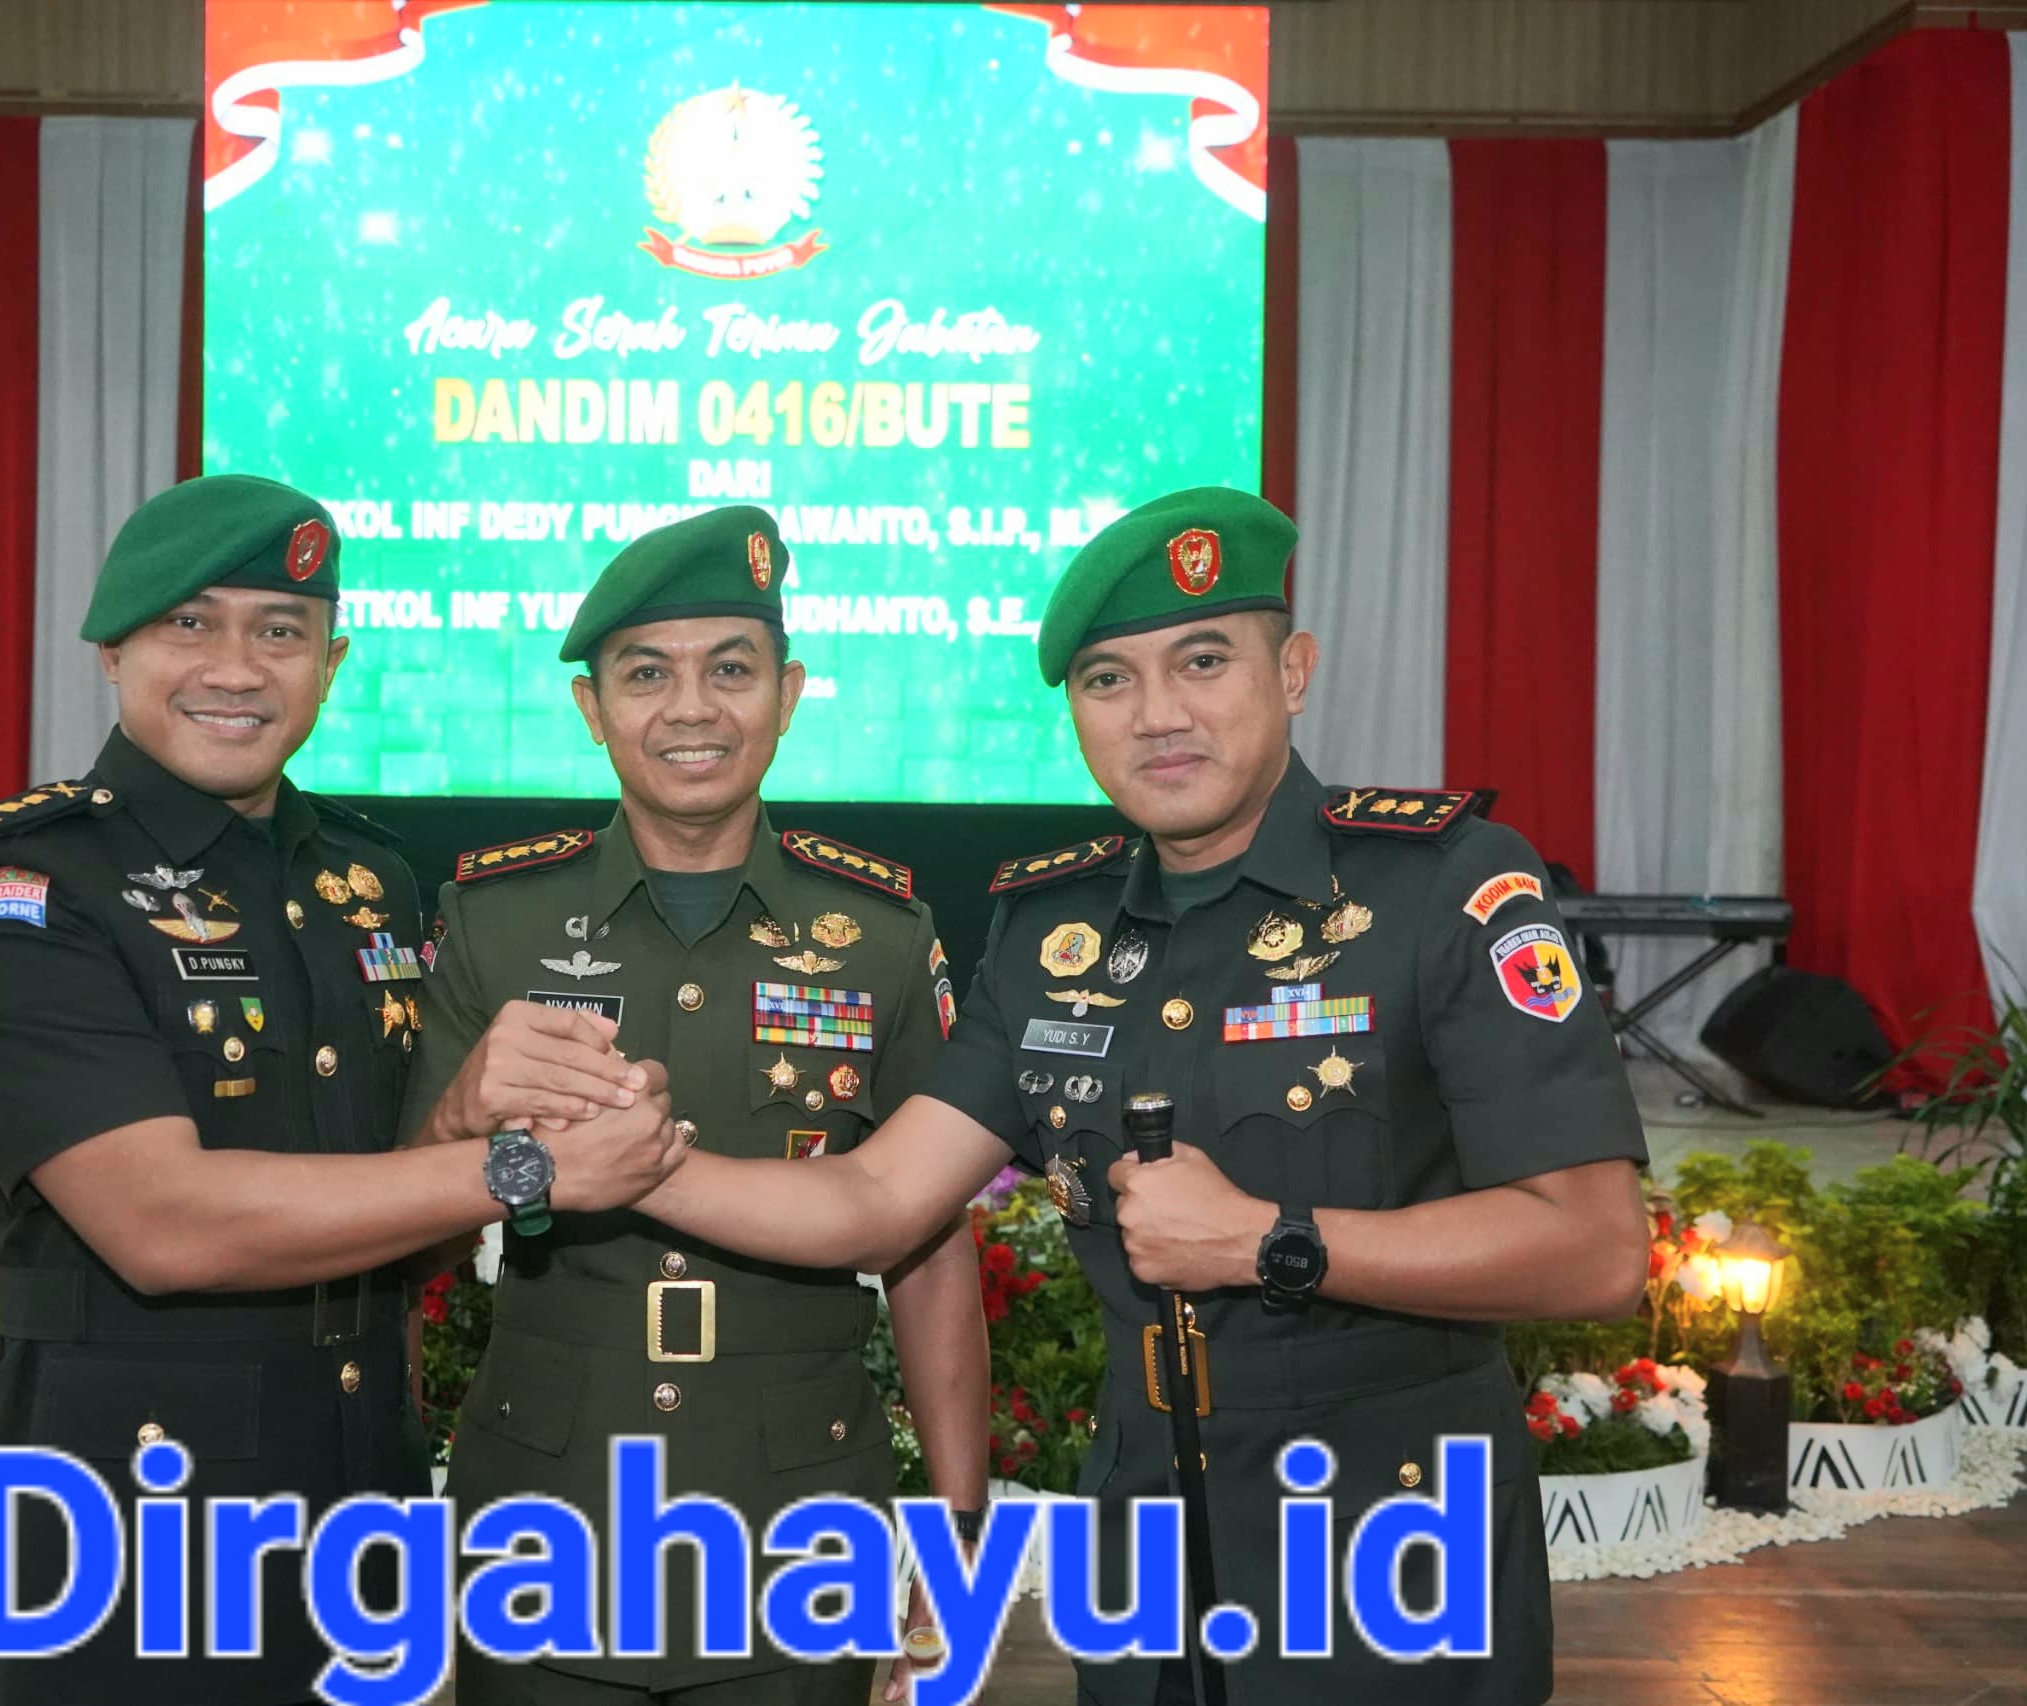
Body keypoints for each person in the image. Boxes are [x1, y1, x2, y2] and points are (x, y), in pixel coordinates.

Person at [634, 487, 1651, 1705]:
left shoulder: (1441, 887)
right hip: (1142, 1533)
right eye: (1108, 680)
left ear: (1293, 672)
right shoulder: (1047, 930)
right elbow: (875, 1197)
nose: (1157, 713)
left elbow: (1594, 1249)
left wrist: (1269, 1241)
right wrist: (641, 1160)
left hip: (1387, 1527)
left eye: (1202, 660)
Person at [0, 474, 685, 1706]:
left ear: (330, 663)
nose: (236, 667)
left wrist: (470, 1112)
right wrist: (522, 1167)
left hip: (354, 1490)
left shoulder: (365, 880)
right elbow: (160, 1222)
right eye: (190, 622)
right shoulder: (25, 883)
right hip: (123, 1511)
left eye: (279, 630)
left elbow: (394, 1212)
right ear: (111, 649)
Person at [400, 505, 990, 1706]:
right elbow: (396, 1229)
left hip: (797, 1523)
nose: (691, 709)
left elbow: (931, 1249)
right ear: (590, 706)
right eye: (645, 673)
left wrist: (954, 1530)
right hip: (541, 1517)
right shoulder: (493, 920)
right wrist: (459, 1117)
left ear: (788, 692)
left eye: (731, 668)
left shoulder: (881, 934)